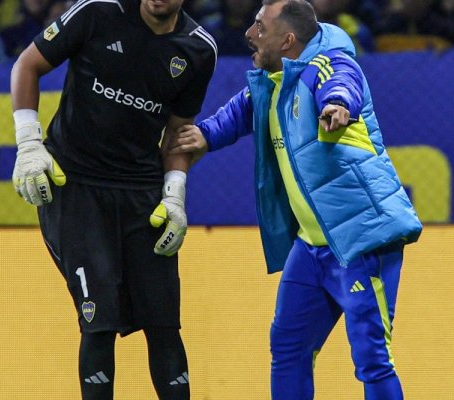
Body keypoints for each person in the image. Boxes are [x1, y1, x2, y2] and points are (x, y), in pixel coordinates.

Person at [167, 1, 422, 399]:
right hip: (313, 246)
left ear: (287, 40)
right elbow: (243, 109)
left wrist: (337, 106)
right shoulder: (274, 78)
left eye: (259, 27)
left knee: (372, 360)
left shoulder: (329, 64)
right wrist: (205, 136)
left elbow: (343, 83)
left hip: (362, 239)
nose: (249, 34)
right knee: (288, 349)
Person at [9, 0, 217, 398]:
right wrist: (28, 143)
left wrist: (175, 195)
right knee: (98, 321)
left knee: (164, 323)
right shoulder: (96, 11)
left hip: (142, 193)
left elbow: (178, 132)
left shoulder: (199, 48)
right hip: (77, 187)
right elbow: (27, 65)